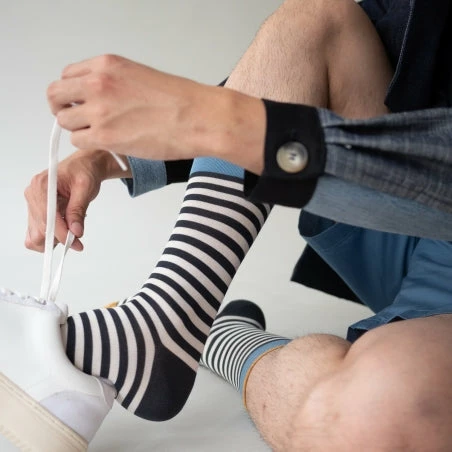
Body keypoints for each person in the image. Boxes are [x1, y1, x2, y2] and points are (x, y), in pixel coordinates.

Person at [2, 0, 452, 450]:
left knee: (370, 420)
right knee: (314, 22)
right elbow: (287, 91)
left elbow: (239, 121)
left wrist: (213, 117)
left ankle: (221, 340)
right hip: (404, 205)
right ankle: (168, 318)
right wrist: (107, 156)